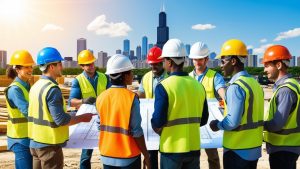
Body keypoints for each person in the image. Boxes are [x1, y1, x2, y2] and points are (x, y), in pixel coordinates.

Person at [28, 47, 94, 169]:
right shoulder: (52, 89)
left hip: (35, 143)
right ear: (51, 66)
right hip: (49, 145)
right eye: (59, 64)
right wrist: (82, 118)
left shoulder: (35, 86)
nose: (62, 67)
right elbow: (61, 120)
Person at [151, 39, 209, 169]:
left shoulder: (164, 87)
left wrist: (155, 126)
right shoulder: (198, 86)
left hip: (171, 150)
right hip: (193, 148)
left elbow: (158, 122)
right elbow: (204, 120)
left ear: (170, 61)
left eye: (164, 60)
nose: (163, 62)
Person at [209, 39, 264, 169]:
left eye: (223, 61)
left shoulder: (235, 87)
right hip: (254, 148)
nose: (221, 65)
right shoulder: (255, 84)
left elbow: (232, 122)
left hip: (237, 150)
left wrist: (217, 125)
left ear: (233, 61)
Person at [96, 54, 150, 169]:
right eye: (130, 72)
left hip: (107, 155)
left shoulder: (101, 97)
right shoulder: (131, 98)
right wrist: (146, 154)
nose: (132, 75)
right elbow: (137, 132)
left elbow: (99, 126)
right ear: (124, 75)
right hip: (128, 157)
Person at [69, 50, 110, 169]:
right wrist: (83, 101)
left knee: (107, 149)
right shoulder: (78, 80)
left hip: (104, 117)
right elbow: (71, 101)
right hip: (88, 120)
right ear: (81, 66)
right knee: (86, 153)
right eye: (87, 64)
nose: (91, 66)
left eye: (92, 63)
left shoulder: (104, 77)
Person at [189, 42, 226, 169]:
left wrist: (226, 98)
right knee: (192, 157)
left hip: (209, 124)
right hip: (192, 122)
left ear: (206, 59)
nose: (197, 62)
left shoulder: (215, 77)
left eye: (200, 59)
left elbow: (223, 92)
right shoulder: (188, 78)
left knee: (213, 157)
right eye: (195, 59)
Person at [262, 45, 300, 169]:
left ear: (278, 65)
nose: (264, 70)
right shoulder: (293, 84)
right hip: (289, 147)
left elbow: (277, 124)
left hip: (283, 149)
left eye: (267, 65)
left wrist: (258, 124)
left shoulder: (285, 90)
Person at [137, 46, 168, 169]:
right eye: (151, 64)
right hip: (151, 122)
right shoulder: (146, 77)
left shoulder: (170, 76)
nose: (153, 67)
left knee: (167, 154)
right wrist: (133, 96)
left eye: (156, 64)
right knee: (151, 156)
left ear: (162, 62)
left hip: (166, 122)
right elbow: (141, 93)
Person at [5, 50, 35, 169]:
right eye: (26, 67)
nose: (30, 70)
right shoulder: (15, 89)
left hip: (29, 137)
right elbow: (27, 111)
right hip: (19, 139)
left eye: (31, 66)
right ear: (17, 70)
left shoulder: (28, 86)